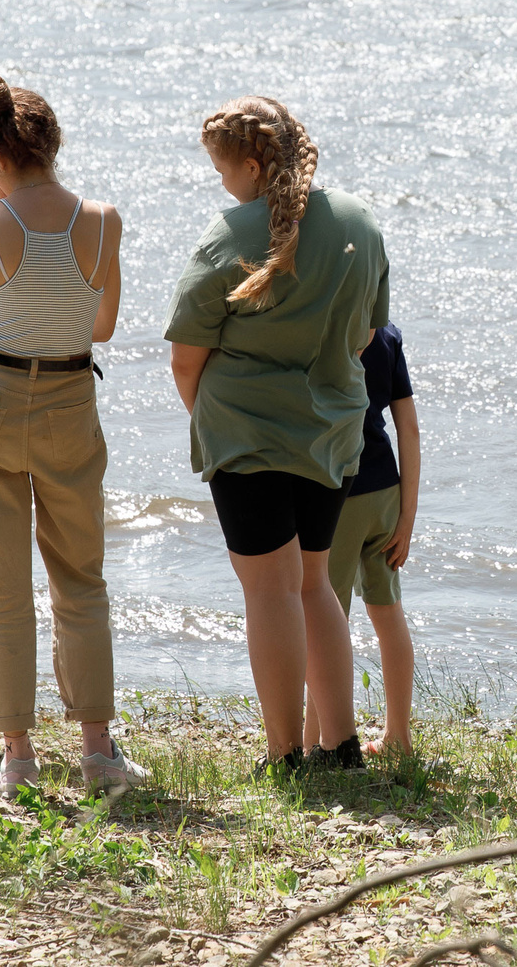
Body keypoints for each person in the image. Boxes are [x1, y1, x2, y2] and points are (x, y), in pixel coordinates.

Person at [0, 75, 144, 800]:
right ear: (51, 145)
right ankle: (97, 750)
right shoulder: (104, 219)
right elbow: (100, 325)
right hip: (70, 404)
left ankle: (17, 755)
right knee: (80, 581)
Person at [166, 95, 390, 775]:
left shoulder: (230, 233)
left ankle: (283, 752)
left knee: (267, 592)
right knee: (315, 582)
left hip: (248, 435)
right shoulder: (361, 221)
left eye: (224, 169)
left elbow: (185, 354)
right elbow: (368, 335)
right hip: (331, 430)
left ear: (254, 163)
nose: (222, 185)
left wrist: (206, 416)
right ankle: (340, 745)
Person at [322, 320, 420, 756]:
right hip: (386, 493)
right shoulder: (387, 335)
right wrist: (407, 518)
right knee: (388, 613)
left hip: (338, 492)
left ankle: (316, 738)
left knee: (324, 618)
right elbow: (409, 430)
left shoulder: (325, 328)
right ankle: (398, 735)